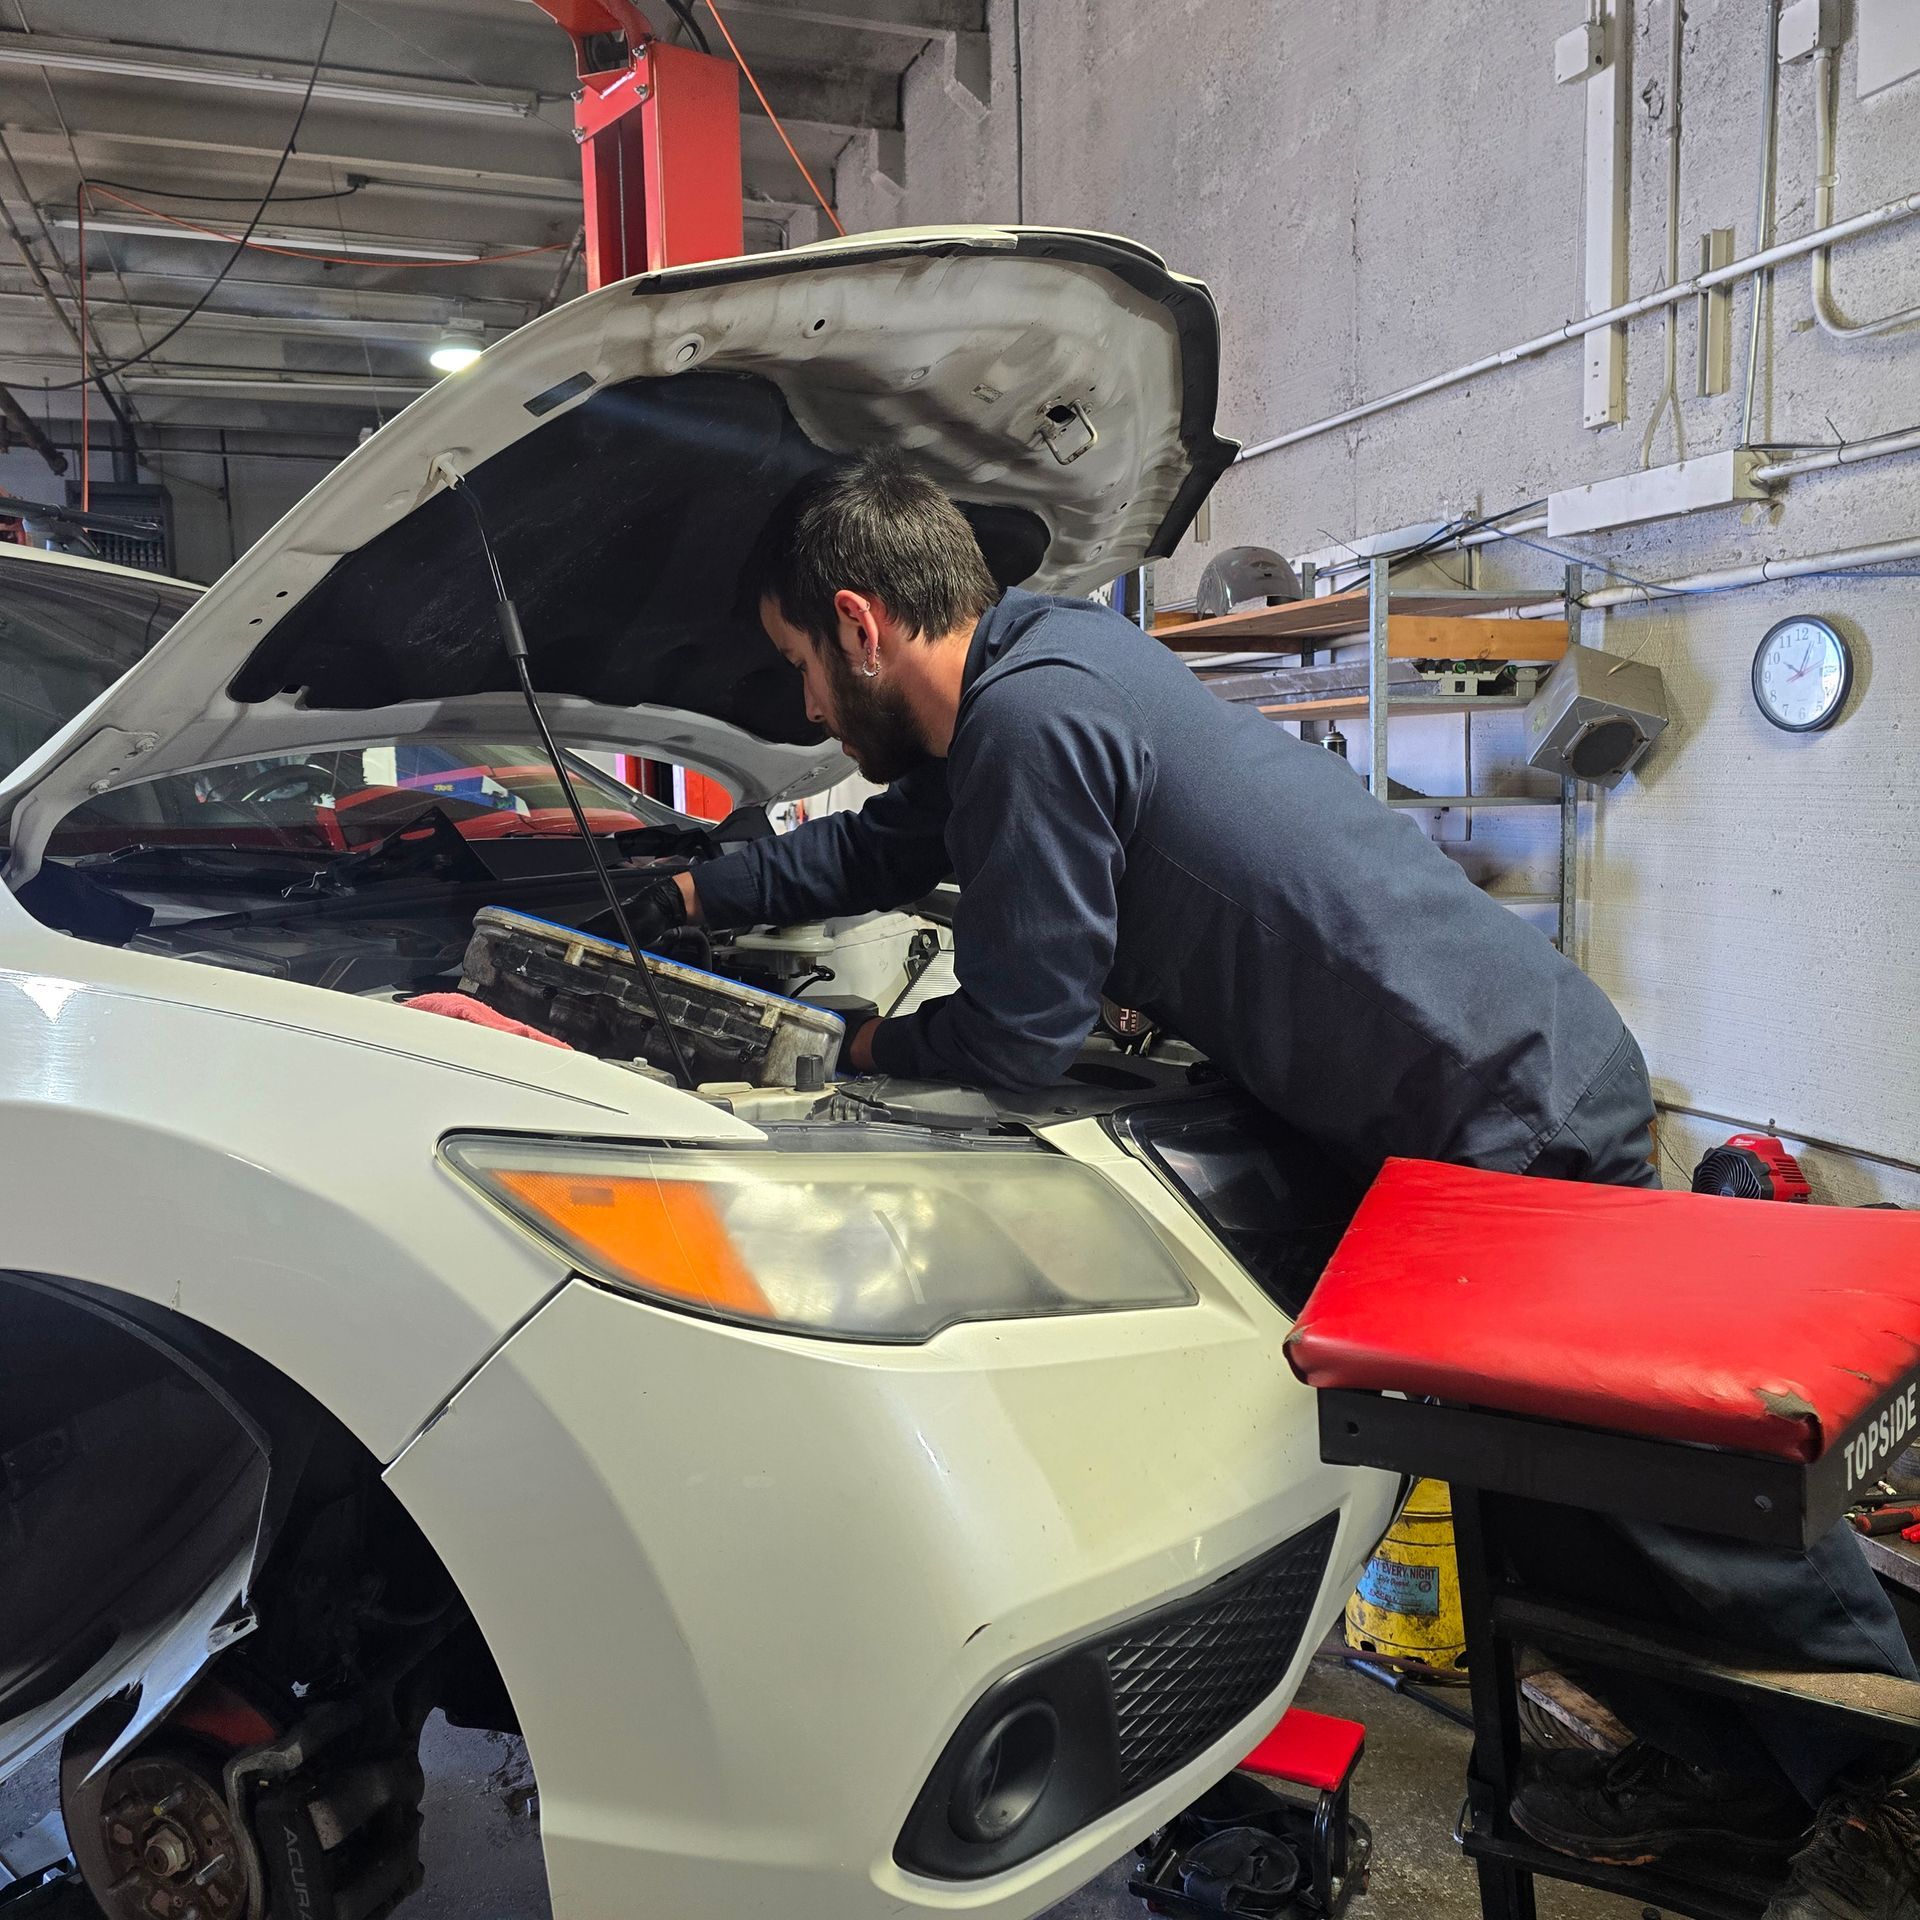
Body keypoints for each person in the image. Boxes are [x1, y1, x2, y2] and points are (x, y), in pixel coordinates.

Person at [625, 450, 1918, 1919]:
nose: (804, 707)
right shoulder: (1051, 671)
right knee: (1539, 1504)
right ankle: (1737, 1769)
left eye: (799, 665)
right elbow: (882, 842)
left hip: (1499, 1099)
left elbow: (1021, 1035)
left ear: (858, 624)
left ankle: (1894, 1785)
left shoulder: (1034, 719)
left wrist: (844, 1039)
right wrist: (689, 894)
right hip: (1467, 1090)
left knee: (1648, 1485)